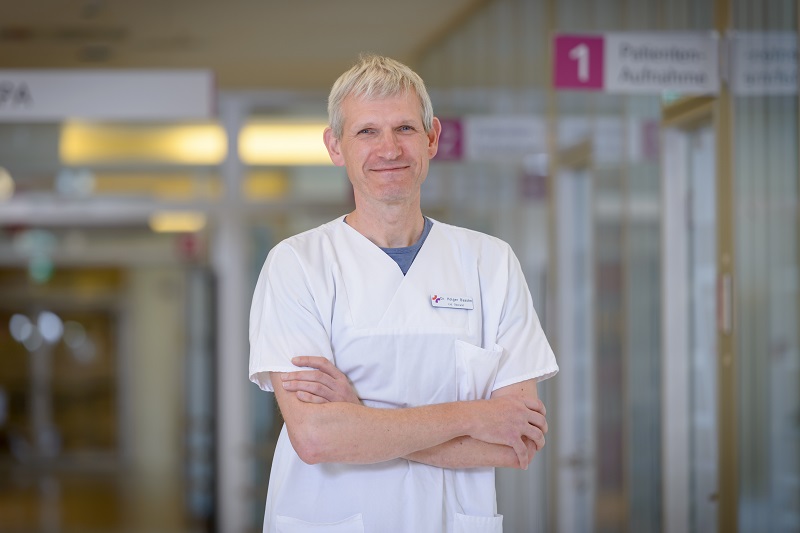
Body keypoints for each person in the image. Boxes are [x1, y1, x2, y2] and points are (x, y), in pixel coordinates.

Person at [249, 54, 558, 533]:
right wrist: (475, 415)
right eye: (367, 132)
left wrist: (361, 420)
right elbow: (314, 437)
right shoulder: (298, 265)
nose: (388, 148)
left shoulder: (490, 263)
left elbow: (515, 442)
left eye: (405, 129)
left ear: (432, 138)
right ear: (335, 146)